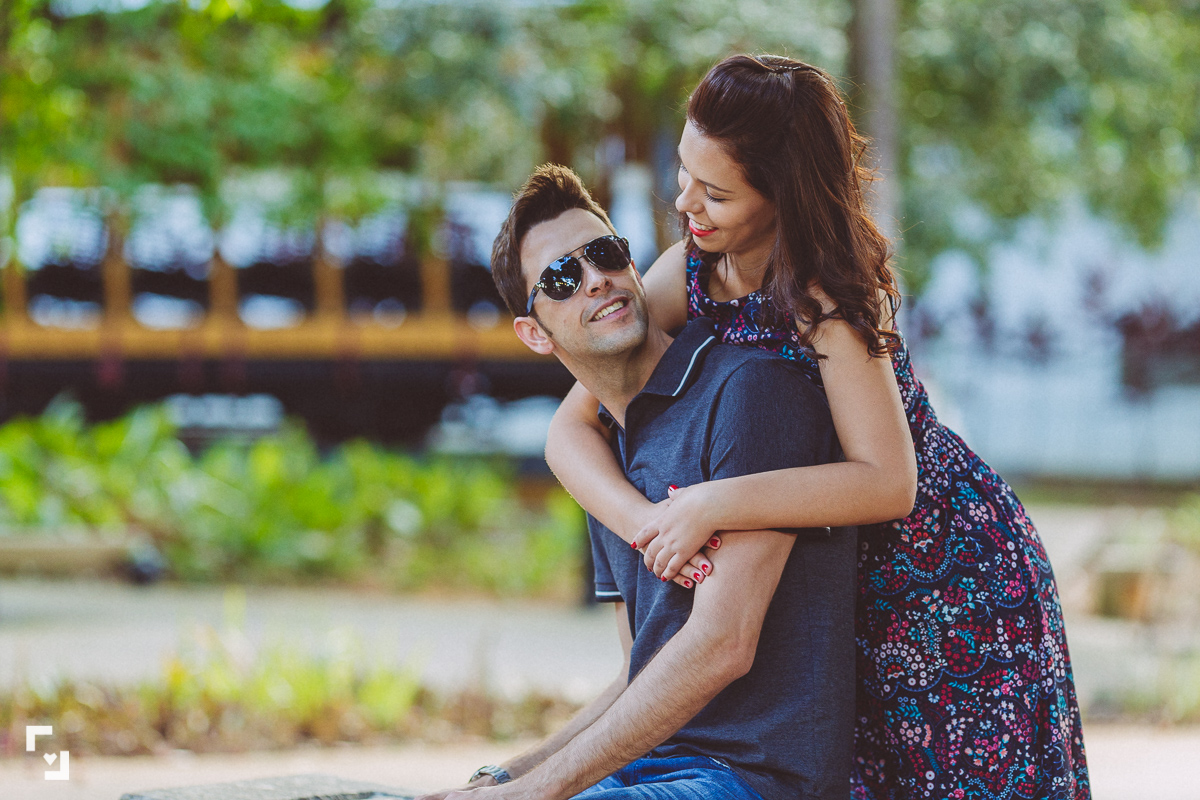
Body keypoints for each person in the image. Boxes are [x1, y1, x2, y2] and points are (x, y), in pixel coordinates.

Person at [545, 55, 1089, 800]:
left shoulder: (825, 294)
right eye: (683, 174)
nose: (688, 204)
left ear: (783, 194)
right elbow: (572, 430)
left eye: (717, 192)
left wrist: (712, 504)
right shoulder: (695, 269)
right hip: (837, 578)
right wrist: (646, 523)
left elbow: (889, 482)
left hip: (942, 579)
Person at [419, 164, 857, 800]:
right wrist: (503, 777)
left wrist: (526, 796)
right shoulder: (605, 464)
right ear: (534, 333)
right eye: (562, 279)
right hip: (649, 768)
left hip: (747, 782)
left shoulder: (748, 393)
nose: (595, 279)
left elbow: (722, 645)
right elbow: (641, 671)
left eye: (604, 253)